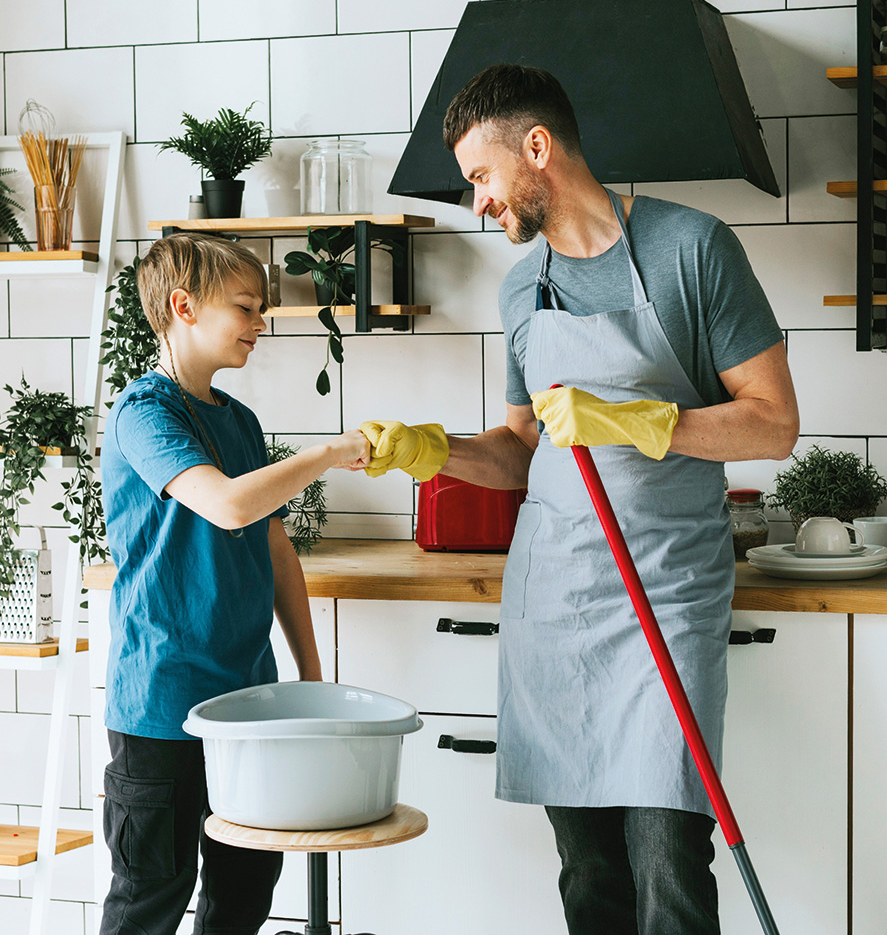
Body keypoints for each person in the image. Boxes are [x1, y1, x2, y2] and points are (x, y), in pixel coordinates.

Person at [360, 63, 799, 935]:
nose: (477, 203)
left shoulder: (693, 249)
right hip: (557, 599)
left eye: (481, 177)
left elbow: (774, 424)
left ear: (537, 148)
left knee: (668, 853)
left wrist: (646, 422)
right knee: (587, 866)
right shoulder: (522, 289)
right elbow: (522, 448)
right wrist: (434, 451)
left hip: (666, 593)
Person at [98, 232, 369, 935]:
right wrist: (331, 452)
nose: (260, 323)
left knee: (245, 890)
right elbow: (228, 504)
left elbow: (273, 544)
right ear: (183, 307)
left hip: (250, 700)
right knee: (151, 894)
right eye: (246, 307)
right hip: (161, 701)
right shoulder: (144, 414)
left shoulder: (239, 420)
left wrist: (310, 675)